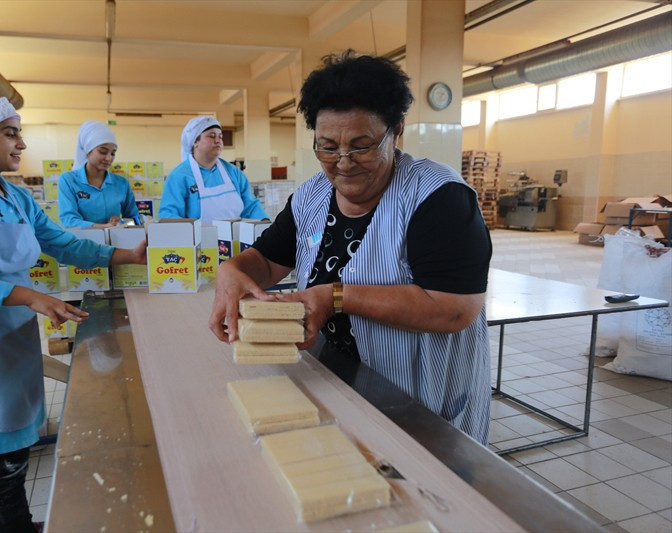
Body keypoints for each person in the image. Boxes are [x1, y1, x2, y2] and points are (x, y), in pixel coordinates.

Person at [209, 51, 493, 444]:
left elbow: (454, 309)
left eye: (361, 146)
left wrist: (334, 296)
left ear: (396, 131)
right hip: (341, 381)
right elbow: (265, 259)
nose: (343, 163)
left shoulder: (437, 198)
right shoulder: (312, 195)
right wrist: (232, 271)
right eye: (327, 147)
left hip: (420, 401)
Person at [0, 85, 147, 532]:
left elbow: (62, 243)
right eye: (10, 133)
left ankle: (20, 523)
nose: (21, 144)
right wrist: (34, 297)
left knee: (18, 435)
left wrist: (126, 256)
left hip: (14, 330)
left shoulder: (15, 197)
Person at [159, 116, 269, 224]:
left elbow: (251, 206)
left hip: (235, 240)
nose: (218, 141)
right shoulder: (179, 176)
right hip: (198, 241)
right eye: (212, 136)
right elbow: (169, 216)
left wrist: (265, 222)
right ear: (195, 142)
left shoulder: (233, 172)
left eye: (220, 137)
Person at [58, 121, 139, 228]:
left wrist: (122, 222)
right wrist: (105, 227)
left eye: (113, 153)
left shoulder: (121, 184)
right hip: (82, 242)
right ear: (88, 150)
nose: (109, 158)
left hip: (116, 242)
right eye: (103, 152)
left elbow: (135, 220)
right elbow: (69, 220)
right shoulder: (69, 180)